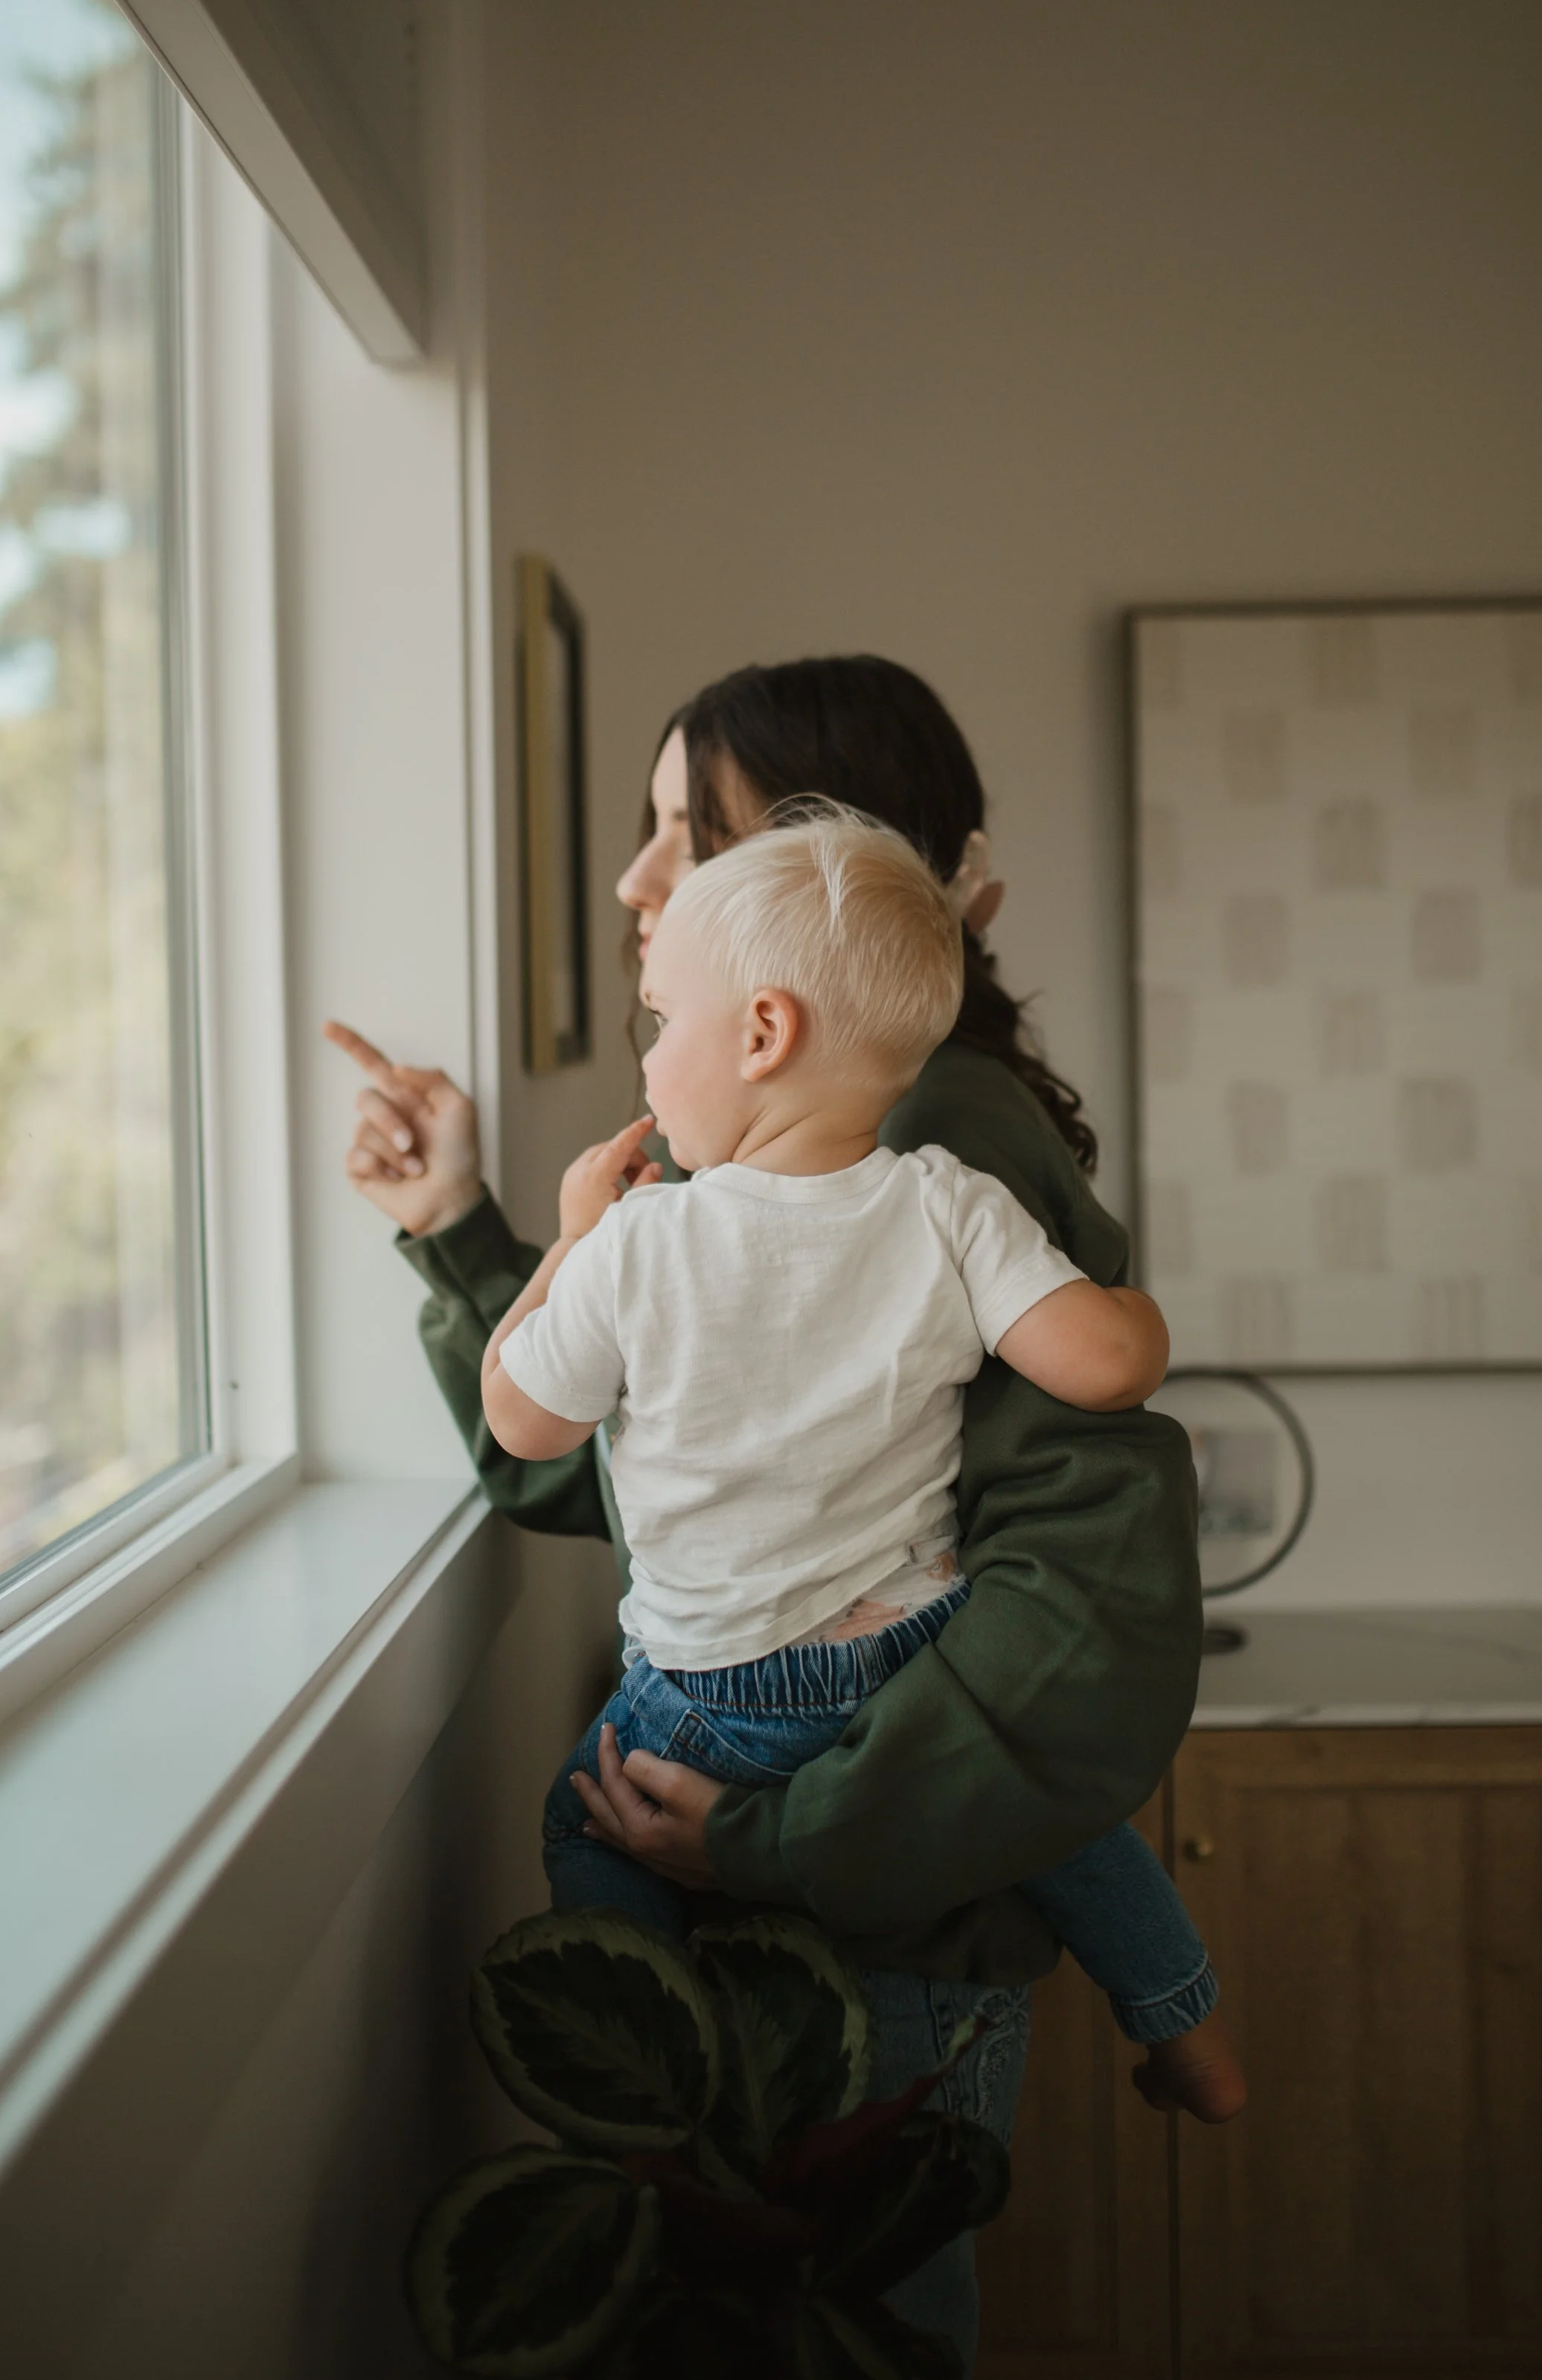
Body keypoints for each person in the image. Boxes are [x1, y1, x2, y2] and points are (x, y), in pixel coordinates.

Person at [328, 654, 1211, 2380]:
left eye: (686, 835)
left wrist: (769, 1833)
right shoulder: (857, 1176)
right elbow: (659, 1473)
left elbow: (1075, 1622)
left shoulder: (945, 1144)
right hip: (817, 1868)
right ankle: (1176, 2002)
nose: (643, 887)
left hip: (866, 1906)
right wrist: (465, 1235)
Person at [482, 807, 1241, 2121]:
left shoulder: (639, 1243)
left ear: (762, 1032)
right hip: (906, 1656)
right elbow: (1107, 1366)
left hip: (709, 1692)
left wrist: (563, 1243)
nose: (652, 1054)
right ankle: (1185, 2026)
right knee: (1059, 1822)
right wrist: (1145, 1312)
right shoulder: (951, 1200)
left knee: (582, 1815)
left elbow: (522, 1425)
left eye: (662, 1019)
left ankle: (647, 2091)